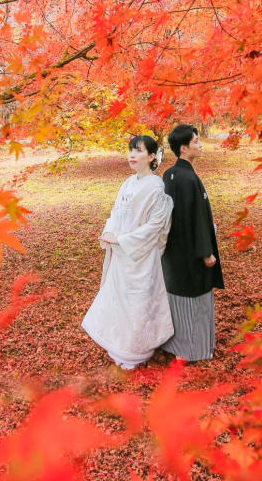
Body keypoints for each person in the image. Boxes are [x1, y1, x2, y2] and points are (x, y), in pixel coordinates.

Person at [82, 135, 175, 369]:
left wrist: (123, 239)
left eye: (139, 151)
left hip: (140, 253)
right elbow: (116, 212)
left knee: (139, 299)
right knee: (119, 298)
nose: (132, 155)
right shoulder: (128, 182)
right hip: (121, 251)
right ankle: (118, 345)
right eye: (130, 150)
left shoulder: (156, 186)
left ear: (152, 156)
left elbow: (156, 225)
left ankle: (137, 350)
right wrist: (110, 232)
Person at [159, 124, 223, 362]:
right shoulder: (187, 179)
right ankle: (192, 350)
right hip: (190, 252)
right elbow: (194, 218)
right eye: (196, 141)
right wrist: (206, 252)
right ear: (184, 148)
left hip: (173, 253)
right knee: (194, 299)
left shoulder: (170, 174)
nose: (200, 144)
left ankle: (177, 346)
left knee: (177, 297)